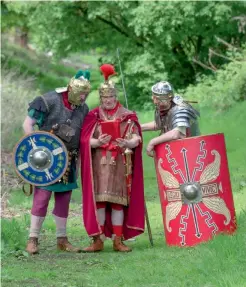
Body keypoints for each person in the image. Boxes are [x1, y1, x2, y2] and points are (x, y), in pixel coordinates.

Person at [23, 70, 91, 254]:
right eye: (80, 93)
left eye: (86, 94)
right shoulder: (49, 100)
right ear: (71, 89)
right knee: (42, 197)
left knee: (64, 199)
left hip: (69, 160)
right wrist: (34, 147)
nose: (83, 97)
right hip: (46, 159)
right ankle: (32, 239)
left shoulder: (83, 108)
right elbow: (28, 124)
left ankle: (62, 239)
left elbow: (83, 136)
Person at [80, 64, 145, 252]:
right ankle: (98, 241)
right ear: (100, 98)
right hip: (98, 165)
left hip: (120, 164)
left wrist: (128, 144)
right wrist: (97, 142)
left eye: (110, 97)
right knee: (99, 202)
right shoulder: (93, 115)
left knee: (117, 202)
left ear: (116, 97)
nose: (107, 100)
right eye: (104, 97)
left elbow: (136, 138)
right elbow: (85, 141)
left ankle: (118, 240)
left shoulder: (127, 115)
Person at [141, 81, 200, 156]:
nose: (154, 101)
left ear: (167, 98)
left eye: (157, 98)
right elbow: (161, 124)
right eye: (154, 97)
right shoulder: (166, 107)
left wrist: (152, 142)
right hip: (177, 151)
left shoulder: (180, 108)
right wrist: (139, 127)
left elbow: (176, 133)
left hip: (191, 151)